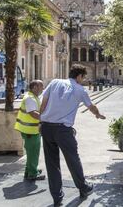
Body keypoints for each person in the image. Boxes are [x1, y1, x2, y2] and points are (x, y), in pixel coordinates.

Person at [40, 65, 106, 206]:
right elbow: (91, 106)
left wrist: (41, 120)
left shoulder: (54, 82)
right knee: (73, 160)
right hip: (63, 131)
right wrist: (98, 114)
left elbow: (43, 103)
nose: (83, 80)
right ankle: (83, 187)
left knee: (51, 163)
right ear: (79, 76)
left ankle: (57, 197)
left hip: (46, 128)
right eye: (83, 77)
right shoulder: (80, 90)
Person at [14, 80, 45, 181]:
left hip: (32, 130)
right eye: (41, 86)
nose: (42, 88)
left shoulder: (33, 96)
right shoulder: (30, 98)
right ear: (35, 87)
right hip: (30, 131)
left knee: (32, 152)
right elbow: (33, 113)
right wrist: (46, 118)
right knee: (33, 153)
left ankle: (30, 170)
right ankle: (33, 174)